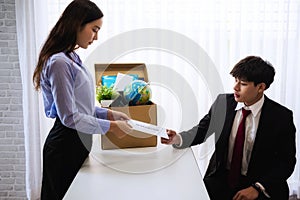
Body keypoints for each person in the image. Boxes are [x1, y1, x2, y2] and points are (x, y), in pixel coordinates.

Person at [32, 0, 132, 199]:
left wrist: (110, 113)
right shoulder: (59, 62)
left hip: (77, 143)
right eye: (94, 29)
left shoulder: (72, 58)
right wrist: (112, 127)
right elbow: (69, 117)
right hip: (64, 146)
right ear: (77, 24)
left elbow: (82, 108)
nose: (96, 37)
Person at [162, 56, 296, 200]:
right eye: (236, 80)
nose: (235, 87)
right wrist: (178, 138)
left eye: (243, 84)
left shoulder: (281, 117)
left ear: (261, 87)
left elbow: (286, 162)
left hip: (259, 183)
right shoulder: (223, 103)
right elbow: (202, 130)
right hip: (221, 178)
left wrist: (257, 187)